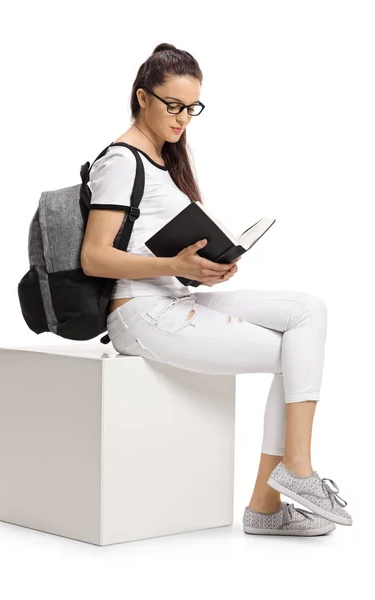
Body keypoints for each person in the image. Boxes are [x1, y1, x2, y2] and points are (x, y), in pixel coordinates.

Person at [81, 43, 352, 537]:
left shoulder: (162, 161)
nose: (184, 117)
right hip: (138, 315)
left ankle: (278, 490)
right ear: (143, 97)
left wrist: (201, 269)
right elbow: (94, 256)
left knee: (308, 311)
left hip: (173, 300)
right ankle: (282, 488)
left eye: (192, 108)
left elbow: (159, 255)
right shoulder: (122, 161)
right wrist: (173, 263)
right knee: (295, 354)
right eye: (174, 105)